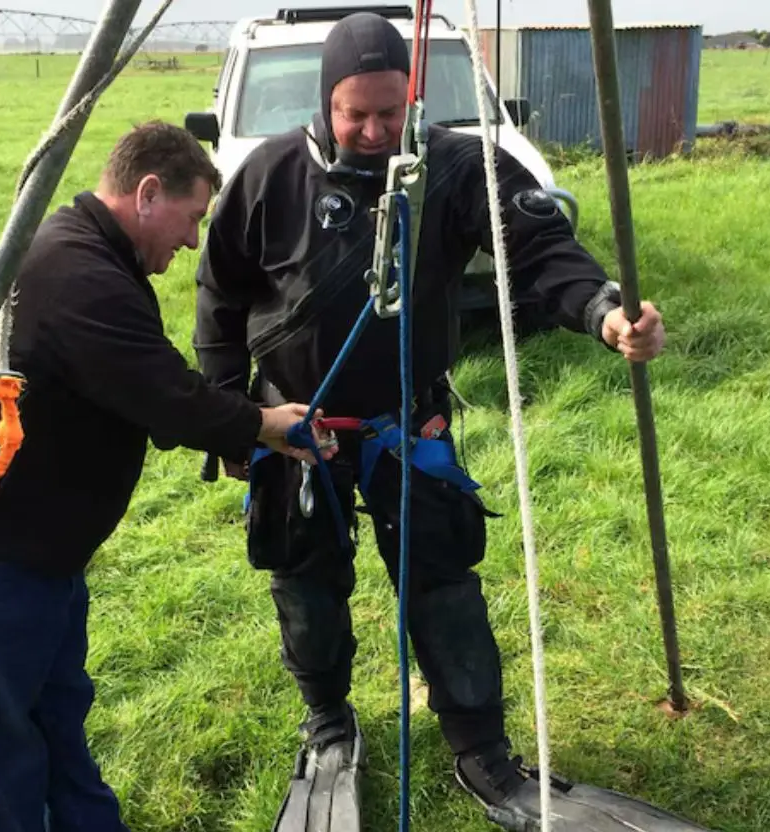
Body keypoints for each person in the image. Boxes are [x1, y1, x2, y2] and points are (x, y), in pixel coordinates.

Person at [190, 13, 693, 832]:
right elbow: (220, 297)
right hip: (292, 423)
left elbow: (542, 253)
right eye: (356, 113)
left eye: (391, 111)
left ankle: (481, 750)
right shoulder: (267, 174)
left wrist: (605, 311)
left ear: (413, 93)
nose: (375, 130)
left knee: (444, 582)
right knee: (306, 583)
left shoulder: (457, 168)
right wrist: (229, 418)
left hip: (407, 419)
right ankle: (327, 726)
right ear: (328, 100)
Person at [0, 120, 331, 832]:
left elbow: (136, 387)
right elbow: (163, 395)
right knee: (3, 742)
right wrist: (264, 425)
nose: (190, 241)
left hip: (37, 544)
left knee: (57, 713)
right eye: (190, 219)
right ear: (148, 194)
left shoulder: (86, 252)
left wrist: (230, 428)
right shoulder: (80, 272)